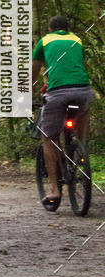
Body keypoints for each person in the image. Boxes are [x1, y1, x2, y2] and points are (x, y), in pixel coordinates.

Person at [32, 14, 94, 211]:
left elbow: (34, 73)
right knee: (81, 123)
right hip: (84, 91)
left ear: (51, 29)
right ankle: (81, 151)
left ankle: (54, 191)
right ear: (66, 29)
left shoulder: (45, 41)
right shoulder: (76, 40)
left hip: (58, 93)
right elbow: (80, 67)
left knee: (48, 137)